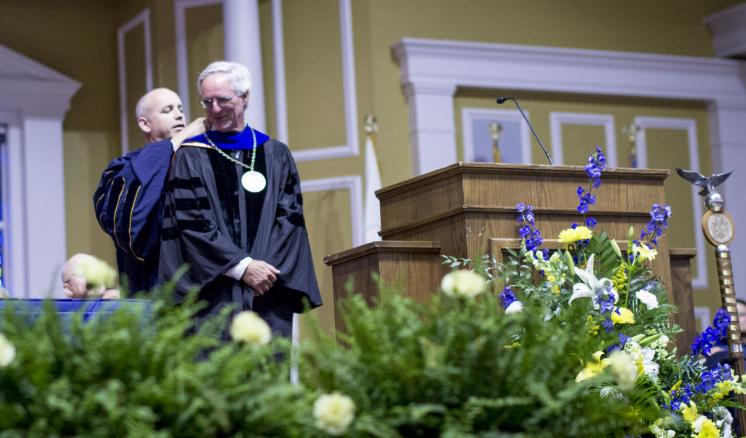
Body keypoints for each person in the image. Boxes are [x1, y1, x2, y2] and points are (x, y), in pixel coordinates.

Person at [158, 61, 321, 337]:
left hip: (267, 294)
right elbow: (191, 223)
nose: (215, 109)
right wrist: (242, 267)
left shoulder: (276, 154)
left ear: (245, 98)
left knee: (267, 376)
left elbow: (289, 222)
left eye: (223, 100)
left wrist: (263, 273)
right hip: (212, 295)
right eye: (207, 102)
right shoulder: (190, 156)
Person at [93, 88, 207, 294]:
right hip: (153, 285)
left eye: (180, 108)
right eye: (167, 110)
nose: (179, 114)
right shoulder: (124, 168)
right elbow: (128, 228)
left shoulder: (197, 163)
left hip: (204, 286)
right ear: (145, 123)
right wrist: (175, 143)